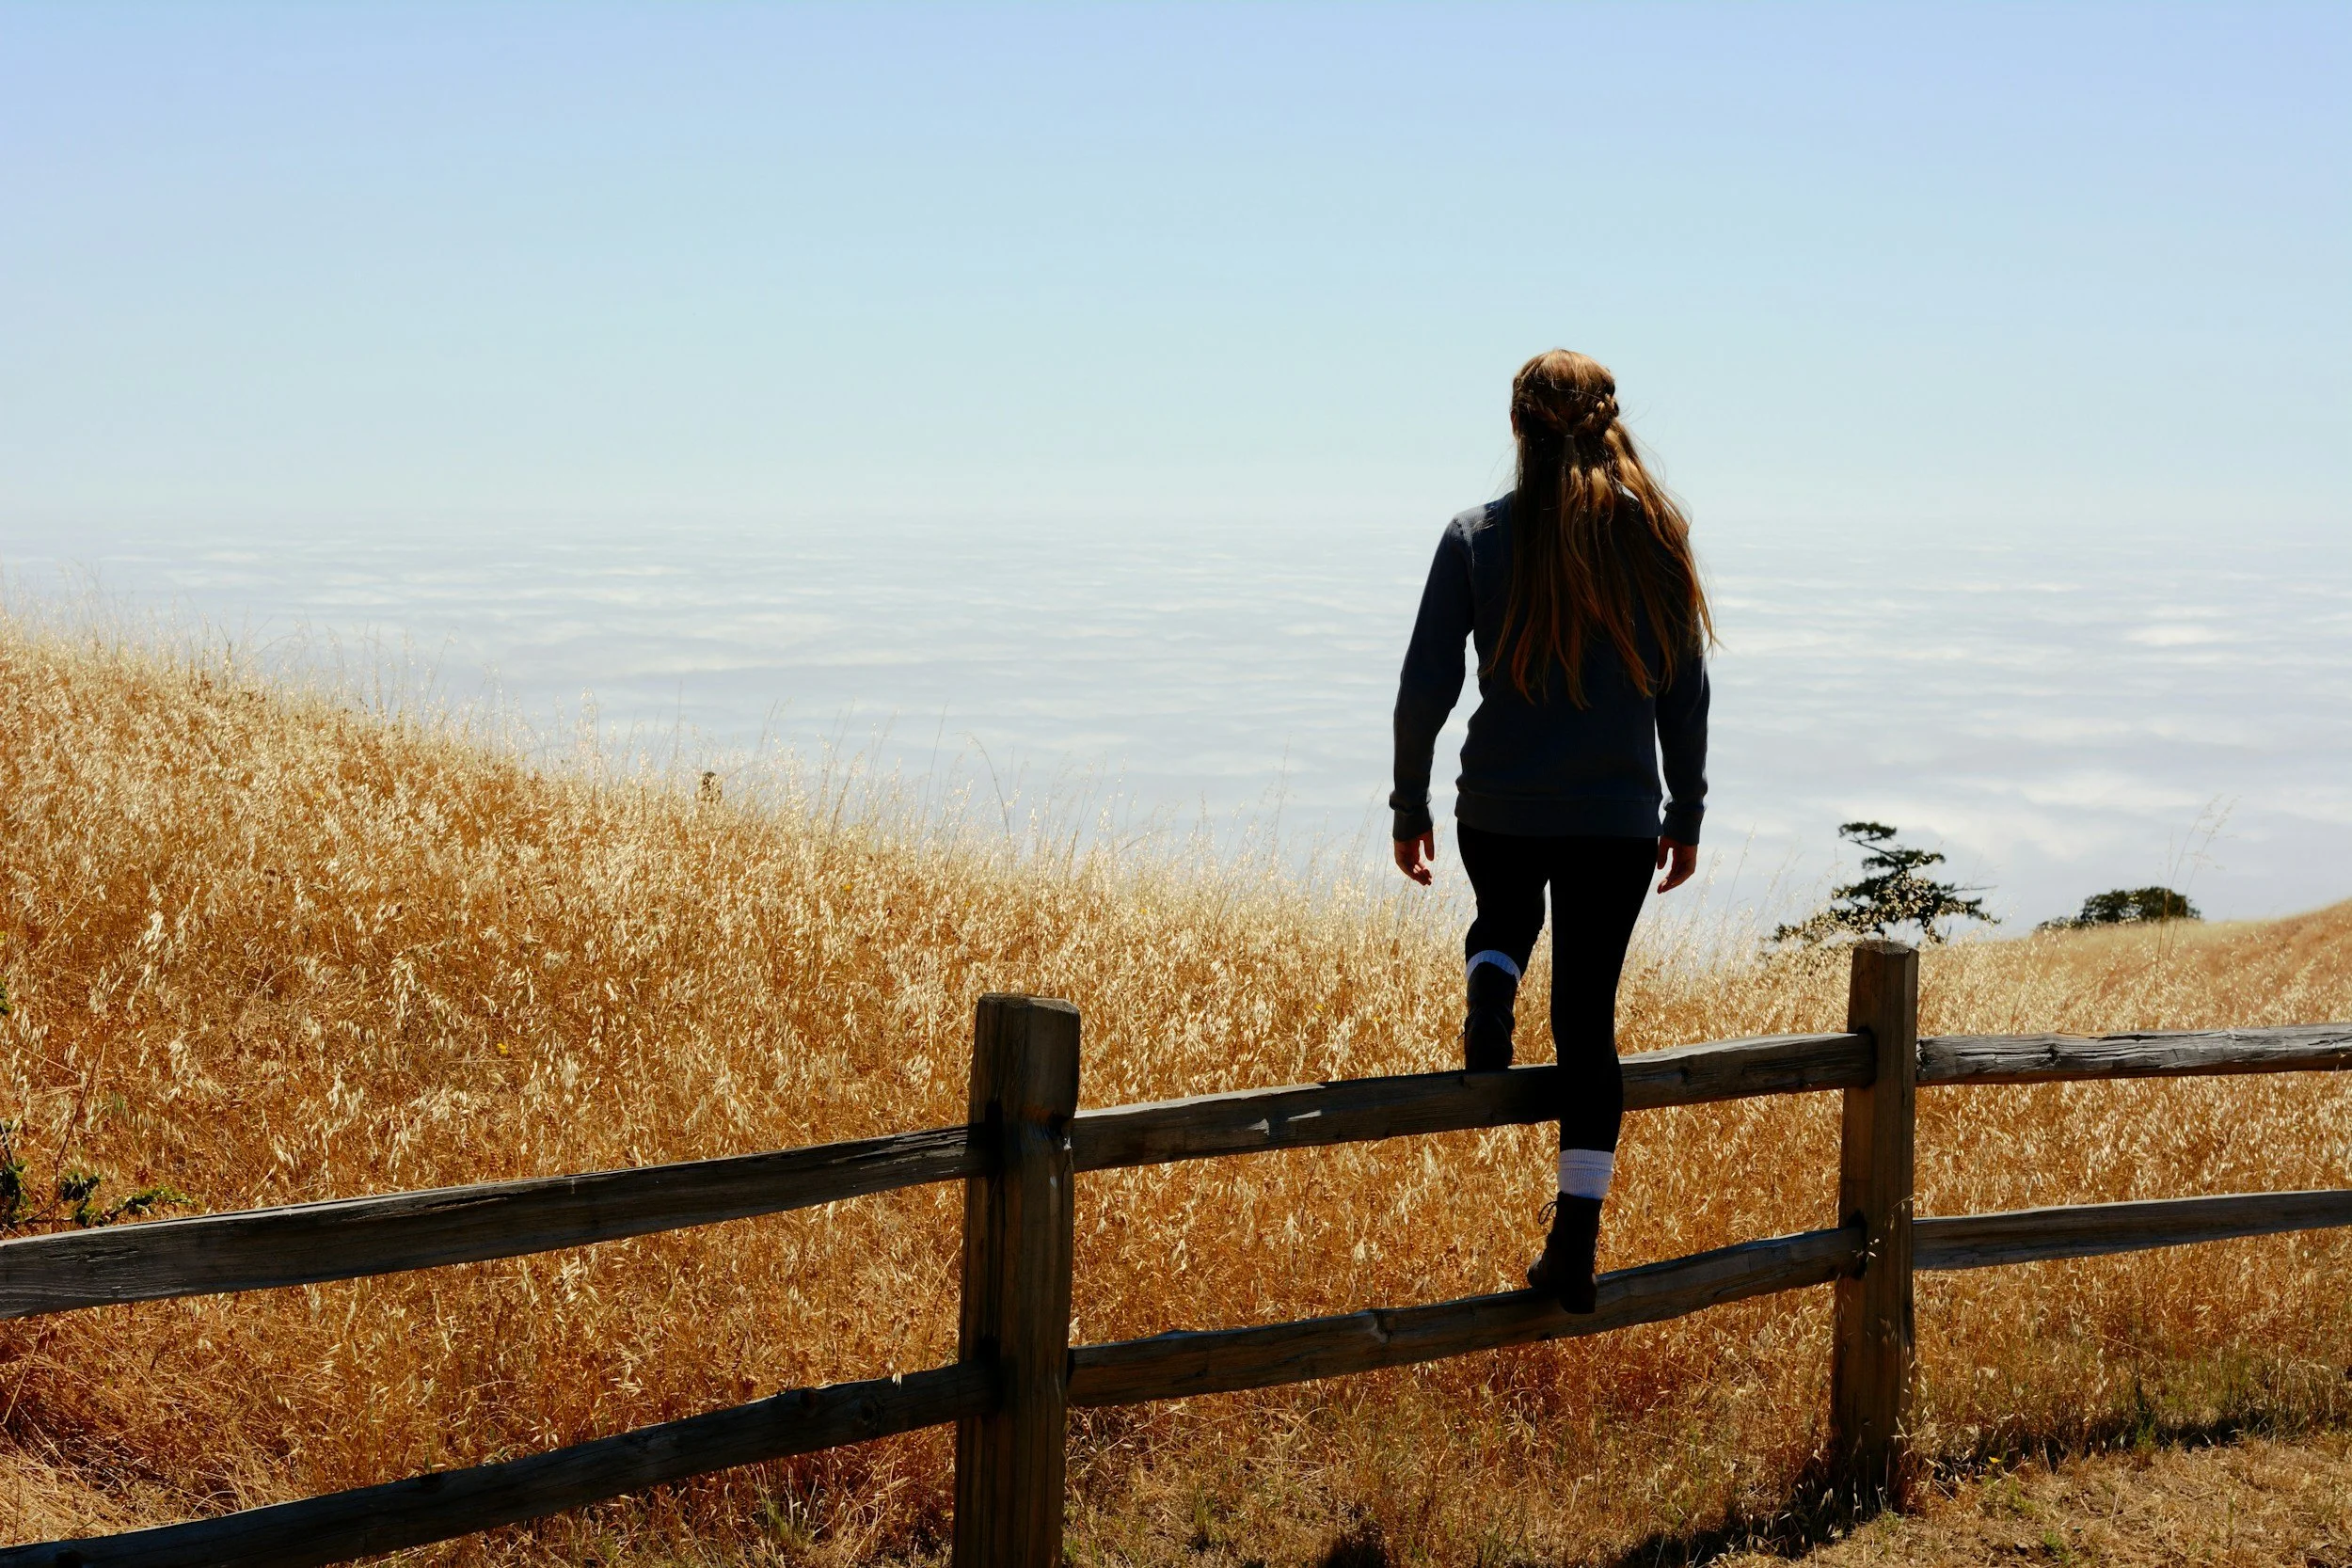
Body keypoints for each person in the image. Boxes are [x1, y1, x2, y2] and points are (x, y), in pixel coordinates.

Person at [1390, 348, 1711, 1314]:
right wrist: (1685, 810)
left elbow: (1424, 685)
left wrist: (1408, 804)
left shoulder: (1474, 536)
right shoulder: (1655, 535)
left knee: (1502, 915)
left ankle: (1490, 987)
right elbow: (1685, 690)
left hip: (1498, 805)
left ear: (1517, 426)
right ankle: (1573, 1243)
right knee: (1585, 1023)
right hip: (1616, 820)